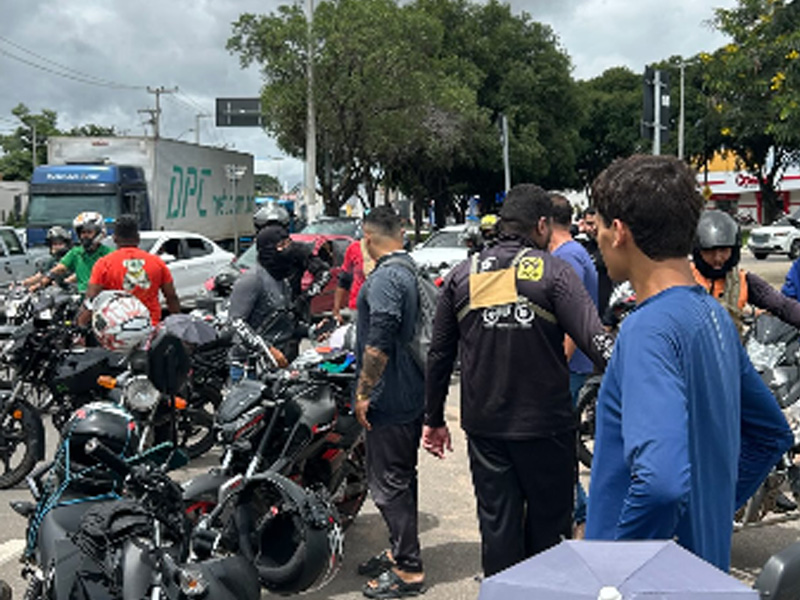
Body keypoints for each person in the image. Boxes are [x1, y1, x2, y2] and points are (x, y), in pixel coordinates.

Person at [584, 154, 793, 572]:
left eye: (599, 226)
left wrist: (618, 571)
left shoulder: (647, 330)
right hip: (700, 572)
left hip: (638, 581)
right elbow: (772, 433)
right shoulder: (713, 315)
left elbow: (660, 483)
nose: (598, 238)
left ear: (619, 231)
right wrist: (707, 512)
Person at [423, 184, 612, 578]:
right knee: (549, 532)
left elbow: (439, 353)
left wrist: (434, 418)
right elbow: (595, 340)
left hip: (486, 427)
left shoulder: (463, 275)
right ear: (541, 225)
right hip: (546, 427)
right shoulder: (554, 271)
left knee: (498, 530)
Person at [353, 206, 425, 598]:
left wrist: (364, 392)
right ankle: (400, 549)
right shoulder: (411, 269)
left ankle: (409, 569)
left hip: (390, 396)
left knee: (388, 484)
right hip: (411, 392)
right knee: (403, 477)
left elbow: (379, 337)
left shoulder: (386, 279)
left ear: (367, 236)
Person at [549, 192, 599, 537]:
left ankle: (581, 516)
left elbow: (570, 321)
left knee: (556, 448)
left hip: (569, 366)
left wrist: (555, 367)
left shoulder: (567, 258)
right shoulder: (574, 253)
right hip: (574, 364)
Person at [692, 209, 800, 332]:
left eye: (723, 250)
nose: (717, 258)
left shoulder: (743, 280)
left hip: (729, 348)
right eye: (709, 251)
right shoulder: (683, 278)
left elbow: (783, 306)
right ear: (698, 251)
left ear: (734, 250)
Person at [78, 214, 180, 326]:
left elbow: (92, 300)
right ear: (138, 238)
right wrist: (178, 323)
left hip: (115, 331)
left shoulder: (103, 264)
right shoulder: (157, 263)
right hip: (150, 328)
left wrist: (80, 325)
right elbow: (171, 297)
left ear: (114, 238)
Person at [227, 224, 297, 382]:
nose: (287, 249)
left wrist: (313, 331)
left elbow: (283, 321)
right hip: (248, 368)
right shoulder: (252, 279)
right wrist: (268, 350)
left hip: (273, 368)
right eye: (281, 245)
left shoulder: (282, 281)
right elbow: (235, 322)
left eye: (288, 243)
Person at [40, 212, 112, 293]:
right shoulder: (76, 252)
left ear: (99, 232)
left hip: (103, 298)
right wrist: (45, 280)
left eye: (89, 232)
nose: (85, 236)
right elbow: (61, 268)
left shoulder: (110, 253)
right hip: (82, 297)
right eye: (83, 233)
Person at [579, 207, 613, 315]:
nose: (594, 228)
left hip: (608, 308)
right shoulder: (582, 246)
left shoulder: (613, 248)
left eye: (597, 224)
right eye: (589, 224)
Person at [332, 238, 375, 324]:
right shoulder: (354, 248)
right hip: (357, 307)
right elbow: (344, 281)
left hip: (382, 308)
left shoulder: (388, 250)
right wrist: (336, 309)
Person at [23, 226, 73, 291]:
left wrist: (65, 282)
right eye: (54, 244)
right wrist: (22, 284)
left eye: (60, 244)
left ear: (67, 244)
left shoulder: (72, 258)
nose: (57, 247)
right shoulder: (51, 260)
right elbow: (40, 275)